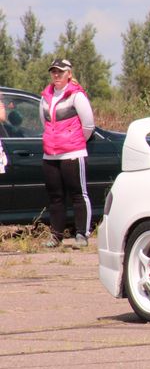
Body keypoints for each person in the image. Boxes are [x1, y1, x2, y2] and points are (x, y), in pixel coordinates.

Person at [41, 58, 94, 248]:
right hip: (51, 154)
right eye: (54, 72)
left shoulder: (76, 95)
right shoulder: (45, 96)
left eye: (60, 72)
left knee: (78, 194)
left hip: (73, 153)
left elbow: (88, 125)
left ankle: (82, 234)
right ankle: (56, 236)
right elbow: (44, 123)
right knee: (55, 197)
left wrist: (75, 141)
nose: (56, 75)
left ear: (69, 74)